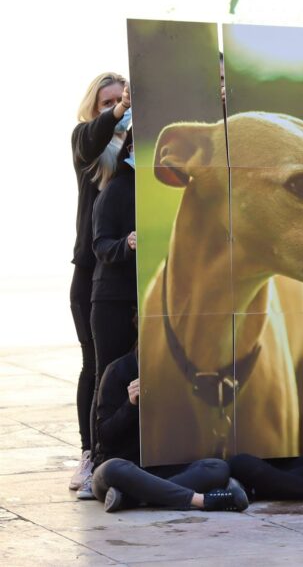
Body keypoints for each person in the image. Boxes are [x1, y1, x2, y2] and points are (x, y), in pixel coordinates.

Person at [90, 347, 249, 513]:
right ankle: (203, 500)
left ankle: (131, 499)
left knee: (217, 467)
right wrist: (130, 406)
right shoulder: (118, 370)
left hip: (160, 470)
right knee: (113, 468)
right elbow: (105, 439)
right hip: (125, 469)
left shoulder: (178, 372)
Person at [68, 73, 130, 490]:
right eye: (106, 103)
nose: (115, 108)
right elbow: (91, 140)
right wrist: (119, 111)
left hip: (126, 268)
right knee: (95, 366)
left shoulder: (136, 146)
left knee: (127, 366)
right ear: (94, 108)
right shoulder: (87, 144)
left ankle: (125, 453)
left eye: (120, 100)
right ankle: (90, 453)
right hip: (91, 272)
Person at [80, 133, 138, 499]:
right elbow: (99, 244)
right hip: (112, 299)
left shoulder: (158, 187)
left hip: (142, 297)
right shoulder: (116, 189)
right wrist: (126, 244)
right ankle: (97, 462)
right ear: (130, 149)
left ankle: (131, 457)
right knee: (106, 377)